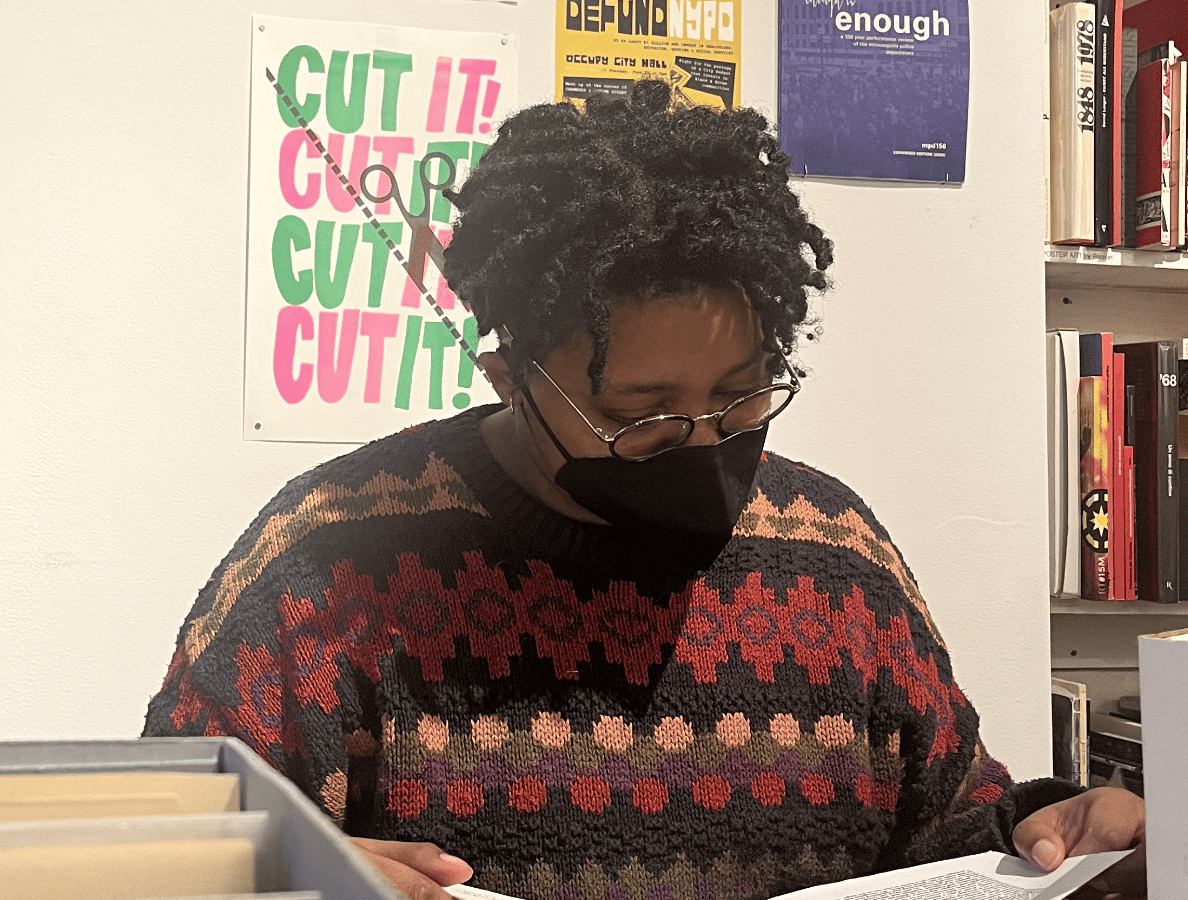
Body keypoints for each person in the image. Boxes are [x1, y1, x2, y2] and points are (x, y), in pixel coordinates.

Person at [142, 81, 1145, 900]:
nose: (703, 443)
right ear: (509, 380)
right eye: (642, 414)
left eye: (742, 394)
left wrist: (1049, 835)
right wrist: (278, 877)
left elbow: (949, 826)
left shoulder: (837, 555)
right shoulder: (328, 567)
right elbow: (159, 849)